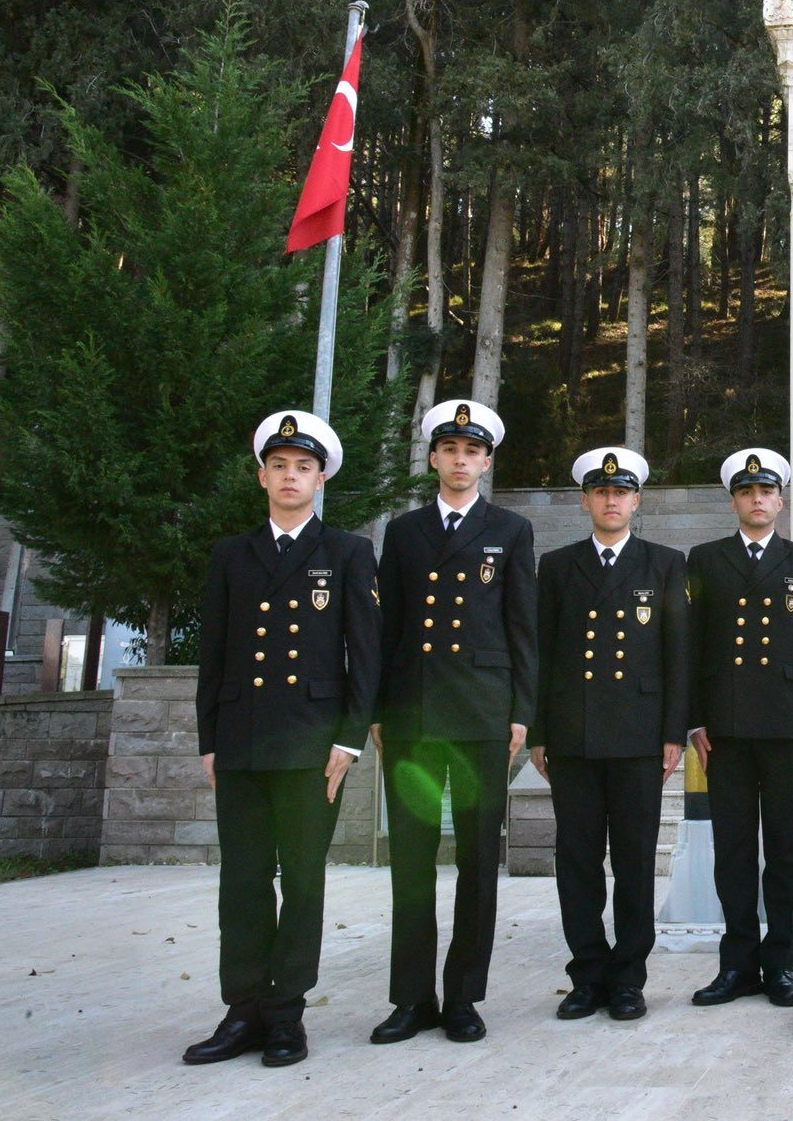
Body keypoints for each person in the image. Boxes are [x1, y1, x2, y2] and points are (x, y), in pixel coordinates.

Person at [184, 411, 379, 1068]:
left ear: (321, 479)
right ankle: (242, 1010)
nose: (290, 476)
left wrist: (350, 740)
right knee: (241, 881)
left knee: (301, 881)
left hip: (311, 746)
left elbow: (365, 656)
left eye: (303, 467)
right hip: (241, 740)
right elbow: (213, 655)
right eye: (278, 466)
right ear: (261, 476)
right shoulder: (231, 555)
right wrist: (209, 740)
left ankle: (286, 1014)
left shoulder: (347, 553)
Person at [369, 400, 537, 1046]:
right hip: (412, 713)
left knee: (477, 861)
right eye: (450, 450)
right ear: (434, 458)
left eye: (472, 452)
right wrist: (379, 709)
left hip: (481, 714)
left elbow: (523, 627)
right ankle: (412, 999)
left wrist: (521, 712)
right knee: (410, 864)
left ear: (486, 462)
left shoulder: (510, 530)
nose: (460, 461)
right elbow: (387, 627)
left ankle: (463, 996)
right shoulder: (405, 532)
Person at [531, 447, 689, 1022]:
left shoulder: (664, 564)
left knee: (634, 860)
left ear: (636, 501)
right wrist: (539, 732)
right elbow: (542, 652)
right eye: (601, 492)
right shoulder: (557, 566)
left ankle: (628, 978)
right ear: (585, 501)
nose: (611, 500)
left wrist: (673, 732)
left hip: (639, 735)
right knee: (576, 860)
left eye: (621, 492)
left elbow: (678, 655)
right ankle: (587, 975)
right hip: (572, 735)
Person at [685, 447, 793, 1010]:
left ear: (780, 501)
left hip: (787, 726)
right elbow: (691, 642)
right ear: (734, 502)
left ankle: (781, 965)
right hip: (723, 727)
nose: (757, 500)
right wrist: (693, 719)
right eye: (747, 492)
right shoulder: (705, 558)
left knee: (786, 848)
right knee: (733, 849)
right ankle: (737, 965)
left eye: (766, 492)